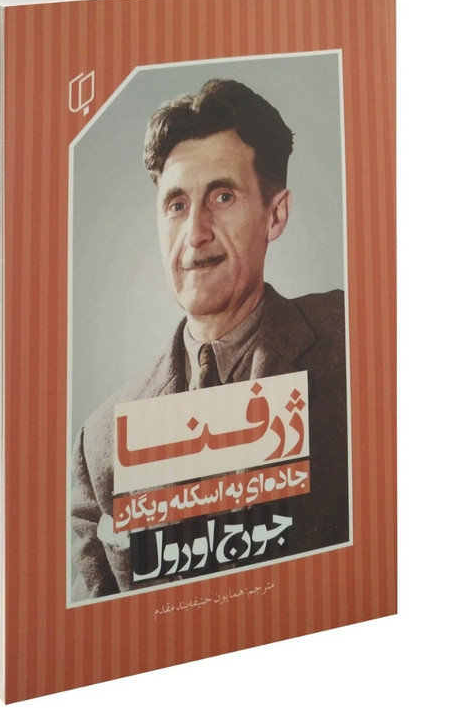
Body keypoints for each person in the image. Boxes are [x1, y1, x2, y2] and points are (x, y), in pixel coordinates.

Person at [71, 79, 348, 601]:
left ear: (275, 214)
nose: (195, 232)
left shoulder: (354, 344)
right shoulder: (101, 441)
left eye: (222, 197)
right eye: (176, 205)